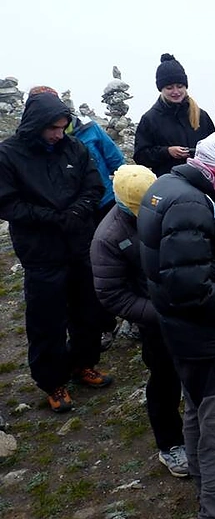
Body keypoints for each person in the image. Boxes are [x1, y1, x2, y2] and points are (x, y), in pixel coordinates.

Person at [138, 128, 215, 518]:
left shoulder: (166, 186)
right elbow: (189, 286)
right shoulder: (190, 204)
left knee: (199, 414)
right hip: (211, 340)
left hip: (185, 336)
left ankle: (209, 494)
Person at [0, 92, 113, 413]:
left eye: (63, 127)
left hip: (79, 243)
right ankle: (53, 381)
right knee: (46, 318)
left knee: (86, 308)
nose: (58, 134)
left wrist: (78, 211)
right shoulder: (8, 155)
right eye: (53, 128)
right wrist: (50, 218)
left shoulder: (74, 147)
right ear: (36, 124)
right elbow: (7, 203)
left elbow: (94, 185)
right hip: (41, 251)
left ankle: (84, 364)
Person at [90, 165, 188, 477]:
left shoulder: (169, 205)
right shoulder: (109, 237)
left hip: (188, 306)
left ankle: (207, 428)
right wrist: (158, 314)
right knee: (163, 379)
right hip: (155, 320)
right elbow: (113, 295)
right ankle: (171, 444)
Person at [29, 85, 126, 348]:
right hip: (77, 216)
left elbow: (115, 159)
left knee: (122, 257)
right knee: (94, 268)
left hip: (105, 203)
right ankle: (105, 323)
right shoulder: (37, 145)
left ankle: (133, 312)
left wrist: (123, 190)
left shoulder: (89, 129)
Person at [134, 53, 215, 177]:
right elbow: (140, 156)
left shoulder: (201, 116)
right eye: (169, 87)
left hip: (201, 184)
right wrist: (167, 152)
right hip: (168, 185)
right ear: (161, 89)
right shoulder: (150, 119)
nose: (176, 92)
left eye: (180, 86)